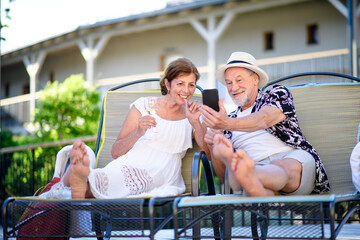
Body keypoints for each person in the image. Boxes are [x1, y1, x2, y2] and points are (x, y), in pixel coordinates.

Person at [41, 58, 208, 199]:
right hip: (130, 162)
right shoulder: (143, 105)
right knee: (105, 177)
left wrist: (195, 123)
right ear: (168, 84)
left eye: (191, 85)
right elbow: (116, 152)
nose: (187, 90)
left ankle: (76, 182)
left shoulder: (194, 113)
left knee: (112, 183)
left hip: (161, 171)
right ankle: (78, 180)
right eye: (180, 83)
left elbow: (207, 148)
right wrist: (138, 133)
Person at [200, 51, 330, 196]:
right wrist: (214, 143)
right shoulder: (227, 121)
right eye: (229, 83)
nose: (234, 88)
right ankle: (250, 181)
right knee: (257, 189)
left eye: (239, 80)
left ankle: (247, 176)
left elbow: (264, 118)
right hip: (253, 167)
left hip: (291, 160)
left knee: (279, 167)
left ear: (255, 79)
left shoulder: (276, 94)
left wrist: (225, 124)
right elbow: (223, 176)